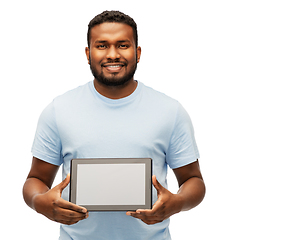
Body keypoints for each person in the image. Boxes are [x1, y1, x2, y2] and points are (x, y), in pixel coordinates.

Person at [23, 10, 206, 240]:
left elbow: (193, 180)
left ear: (137, 53)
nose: (112, 55)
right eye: (102, 46)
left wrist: (177, 202)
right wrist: (39, 202)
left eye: (122, 45)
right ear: (88, 54)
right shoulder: (59, 110)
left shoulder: (170, 111)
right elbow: (36, 180)